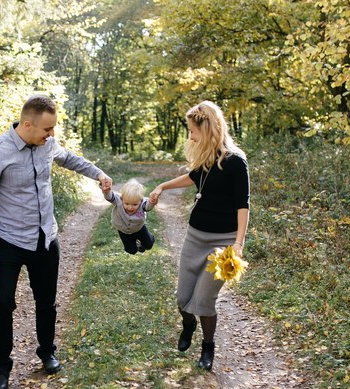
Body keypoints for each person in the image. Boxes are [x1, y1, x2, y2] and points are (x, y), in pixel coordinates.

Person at [0, 94, 112, 389]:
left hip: (45, 237)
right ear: (27, 124)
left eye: (53, 129)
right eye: (46, 129)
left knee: (47, 301)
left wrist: (98, 173)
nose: (51, 135)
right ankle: (2, 367)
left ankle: (47, 352)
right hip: (7, 241)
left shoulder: (47, 144)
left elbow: (69, 158)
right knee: (2, 304)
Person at [149, 100, 249, 371]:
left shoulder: (236, 162)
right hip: (195, 236)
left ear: (208, 128)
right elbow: (192, 179)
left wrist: (238, 243)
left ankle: (208, 347)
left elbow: (243, 205)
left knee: (204, 300)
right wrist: (161, 186)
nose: (190, 136)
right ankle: (188, 324)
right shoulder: (206, 156)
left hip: (224, 243)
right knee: (183, 298)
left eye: (193, 131)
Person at [102, 179, 155, 254]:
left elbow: (148, 207)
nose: (130, 207)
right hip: (123, 231)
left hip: (139, 228)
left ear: (140, 200)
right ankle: (136, 244)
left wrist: (152, 203)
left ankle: (149, 237)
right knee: (131, 251)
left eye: (134, 204)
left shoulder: (142, 204)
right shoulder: (118, 200)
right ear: (122, 199)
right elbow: (110, 197)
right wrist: (106, 192)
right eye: (126, 204)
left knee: (149, 245)